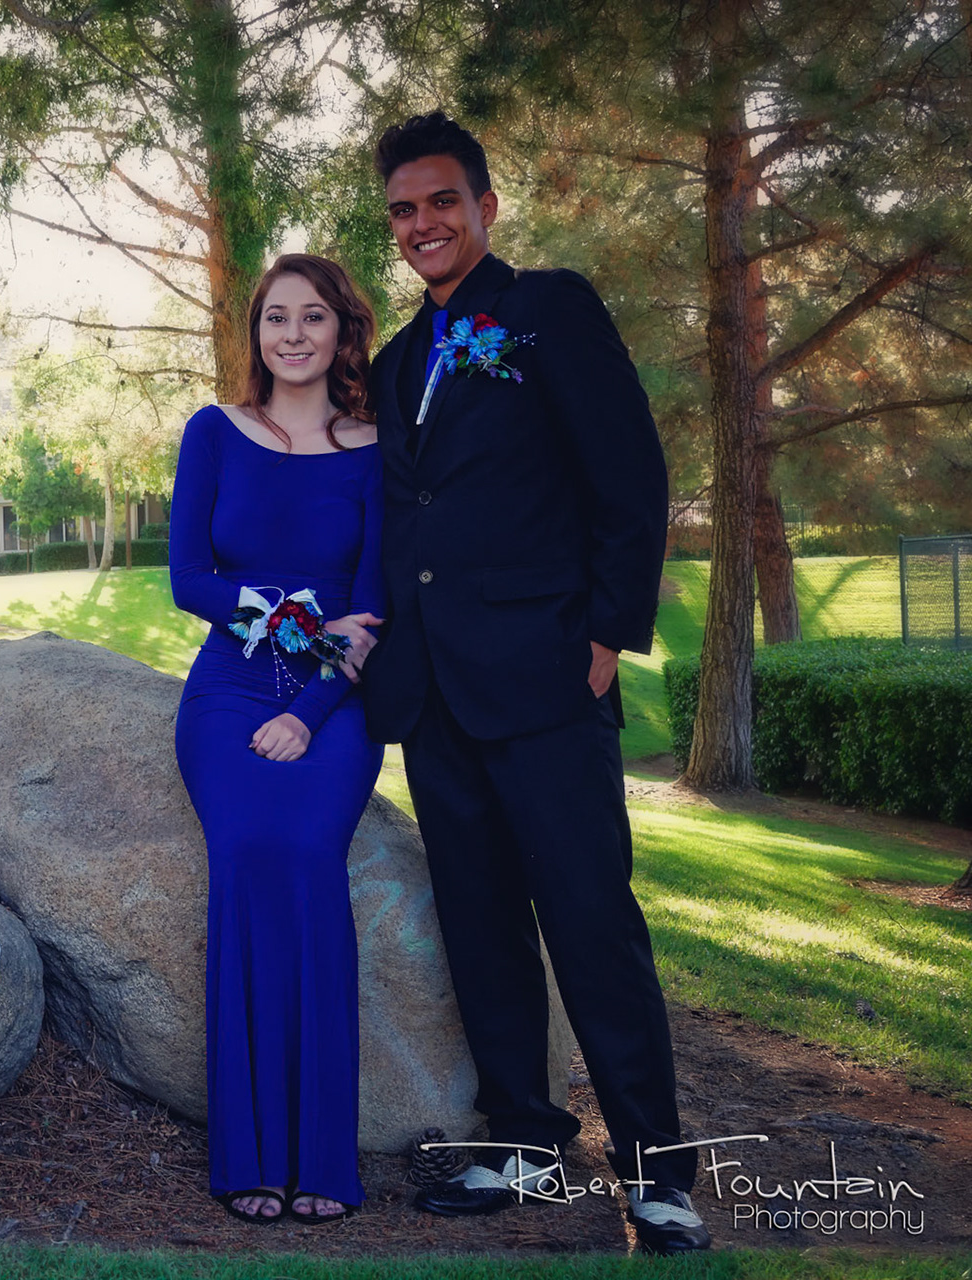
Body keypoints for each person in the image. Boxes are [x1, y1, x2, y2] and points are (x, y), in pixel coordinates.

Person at [361, 110, 710, 1256]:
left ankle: (656, 1170)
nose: (423, 224)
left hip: (550, 678)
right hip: (438, 695)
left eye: (441, 201)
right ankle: (523, 1138)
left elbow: (630, 474)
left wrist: (606, 633)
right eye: (404, 210)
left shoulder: (549, 308)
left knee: (592, 923)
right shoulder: (396, 362)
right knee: (480, 926)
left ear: (485, 206)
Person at [169, 254, 386, 1226]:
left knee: (306, 853)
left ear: (343, 331)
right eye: (275, 318)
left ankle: (323, 1155)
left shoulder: (377, 450)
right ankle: (248, 1152)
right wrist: (297, 627)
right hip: (228, 691)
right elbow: (190, 578)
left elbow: (372, 610)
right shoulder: (214, 432)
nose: (293, 334)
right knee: (250, 847)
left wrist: (310, 709)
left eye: (313, 317)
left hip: (338, 701)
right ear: (255, 333)